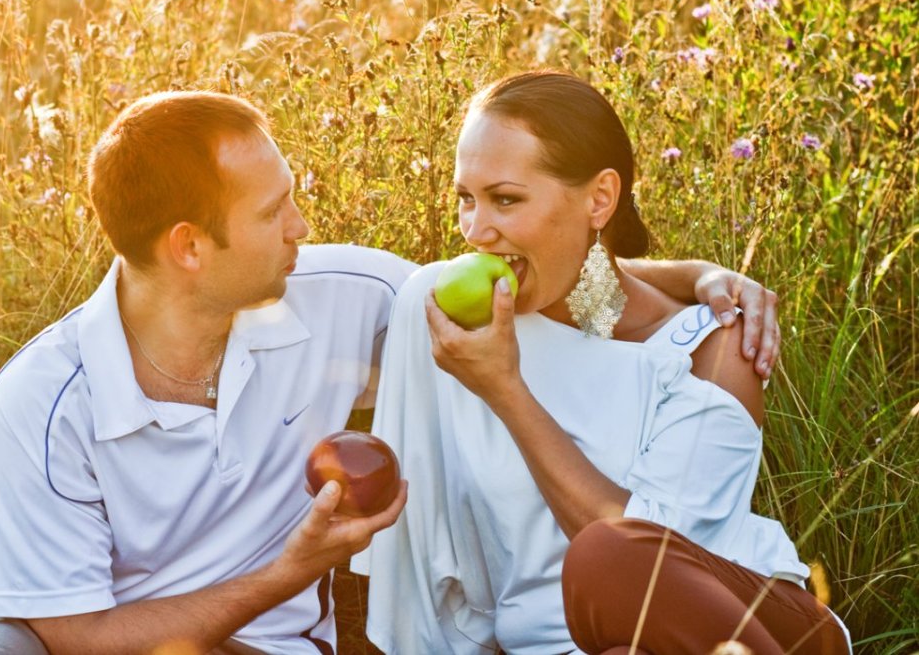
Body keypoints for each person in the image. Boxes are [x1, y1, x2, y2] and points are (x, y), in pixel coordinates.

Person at [0, 90, 782, 655]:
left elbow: (545, 278)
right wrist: (287, 571)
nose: (304, 225)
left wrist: (708, 278)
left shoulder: (346, 294)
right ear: (189, 246)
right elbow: (70, 637)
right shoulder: (42, 404)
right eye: (272, 212)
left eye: (292, 196)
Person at [359, 71, 849, 654]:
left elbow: (642, 569)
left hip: (743, 628)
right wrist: (690, 270)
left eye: (506, 199)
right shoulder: (447, 316)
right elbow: (422, 566)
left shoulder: (713, 352)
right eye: (466, 197)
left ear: (599, 199)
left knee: (607, 554)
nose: (475, 231)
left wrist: (507, 391)